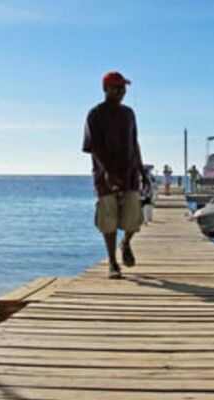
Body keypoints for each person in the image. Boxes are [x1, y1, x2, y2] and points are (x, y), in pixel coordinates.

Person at [82, 71, 150, 279]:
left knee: (133, 218)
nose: (121, 91)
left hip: (129, 172)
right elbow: (93, 147)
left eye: (123, 88)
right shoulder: (95, 114)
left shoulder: (128, 113)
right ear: (106, 89)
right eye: (116, 87)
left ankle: (126, 243)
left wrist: (141, 170)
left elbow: (134, 143)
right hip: (105, 176)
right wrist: (107, 172)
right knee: (108, 220)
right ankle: (112, 262)